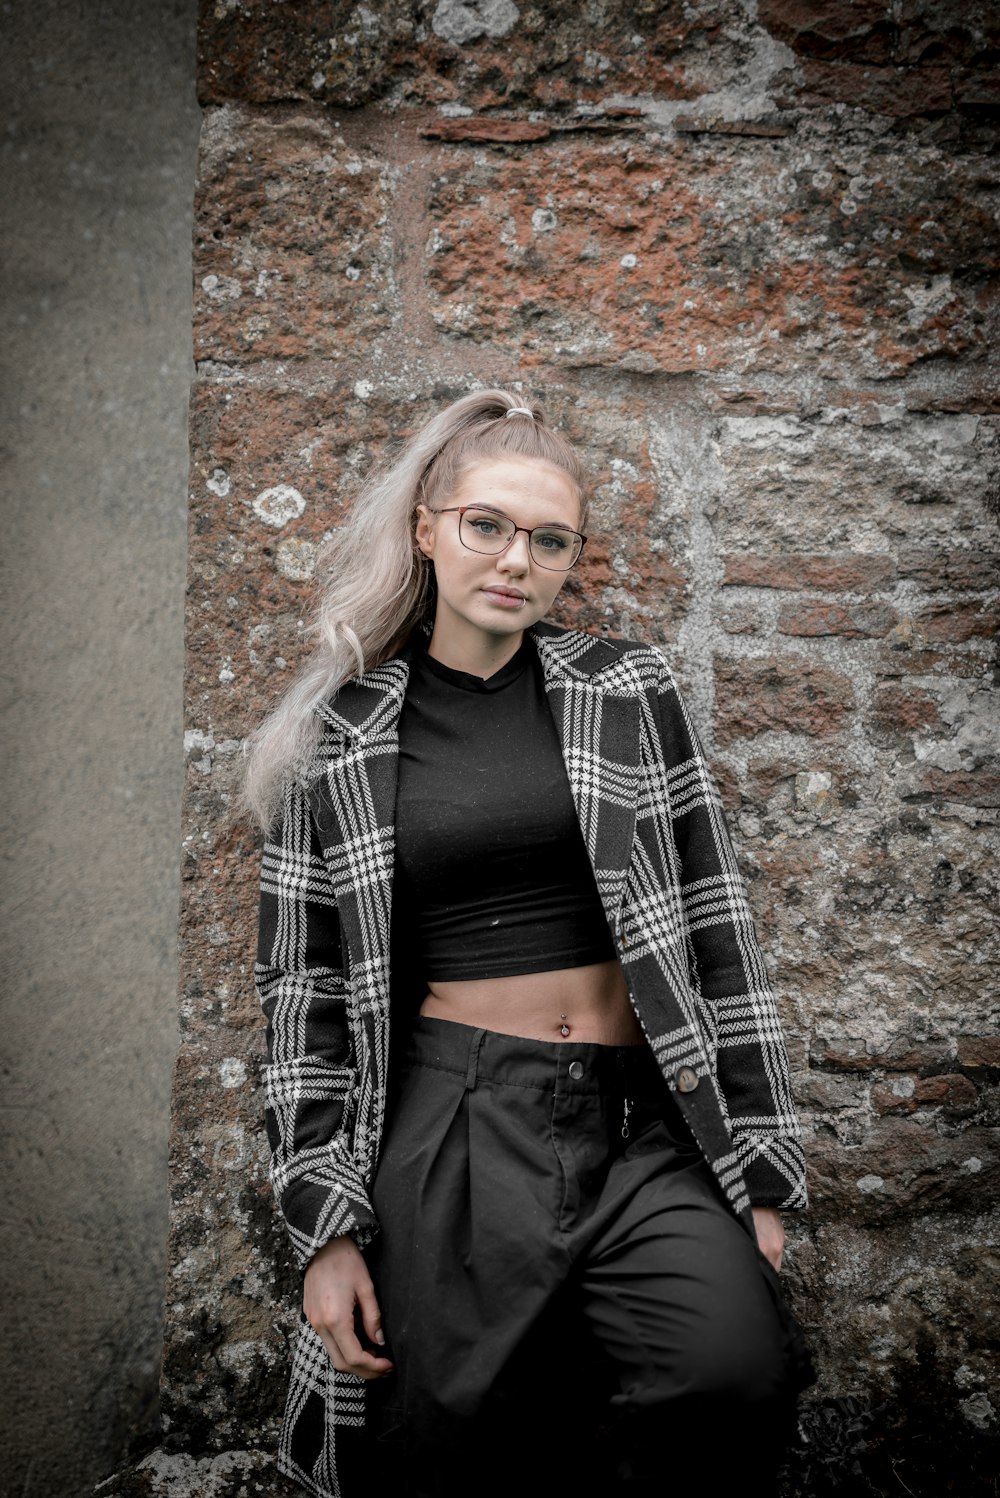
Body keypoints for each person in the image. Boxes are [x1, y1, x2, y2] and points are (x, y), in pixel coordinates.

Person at [244, 389, 814, 1498]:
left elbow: (714, 922)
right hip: (455, 1123)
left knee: (729, 1372)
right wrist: (324, 1231)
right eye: (487, 525)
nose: (517, 559)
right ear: (427, 525)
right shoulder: (338, 738)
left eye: (549, 540)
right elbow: (301, 998)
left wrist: (759, 1160)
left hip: (642, 1119)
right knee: (450, 1437)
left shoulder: (627, 691)